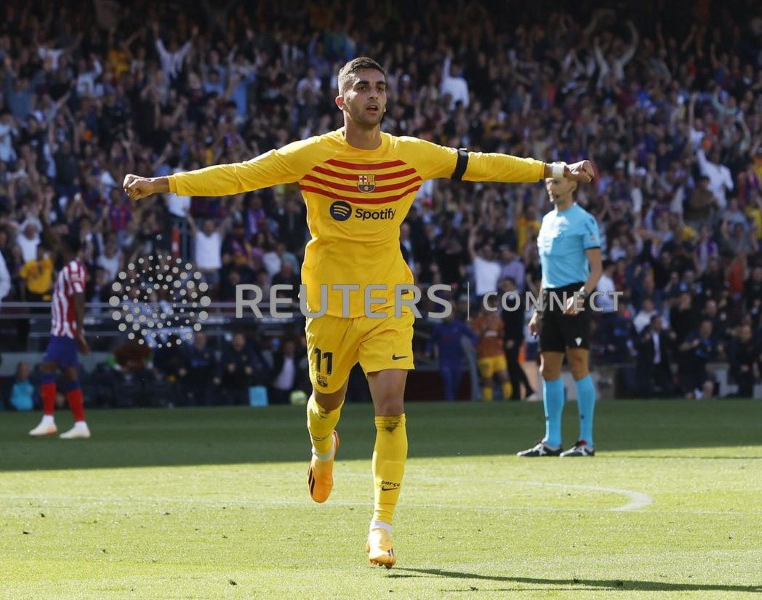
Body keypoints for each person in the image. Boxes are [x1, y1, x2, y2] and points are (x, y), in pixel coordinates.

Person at [123, 57, 594, 567]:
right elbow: (241, 176)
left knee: (390, 409)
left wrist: (553, 169)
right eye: (361, 87)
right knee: (326, 403)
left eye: (380, 88)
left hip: (388, 300)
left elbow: (479, 164)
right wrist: (163, 183)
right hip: (329, 303)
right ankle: (323, 449)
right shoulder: (313, 155)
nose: (373, 95)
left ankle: (381, 526)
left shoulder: (411, 155)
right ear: (341, 100)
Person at [517, 173, 602, 458]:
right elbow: (545, 274)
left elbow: (596, 269)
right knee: (547, 368)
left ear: (572, 185)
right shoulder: (547, 221)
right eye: (548, 183)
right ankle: (552, 440)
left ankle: (585, 441)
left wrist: (581, 296)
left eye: (556, 182)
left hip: (574, 294)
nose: (550, 187)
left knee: (578, 364)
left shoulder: (584, 220)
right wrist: (538, 310)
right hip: (551, 296)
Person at [28, 202, 91, 439]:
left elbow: (79, 298)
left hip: (66, 330)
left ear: (67, 247)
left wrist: (79, 331)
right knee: (70, 375)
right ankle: (81, 425)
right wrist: (43, 217)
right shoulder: (68, 264)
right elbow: (53, 239)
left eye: (62, 240)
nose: (58, 241)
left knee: (46, 367)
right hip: (64, 328)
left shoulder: (73, 268)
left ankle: (48, 420)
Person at [426, 310, 478, 402]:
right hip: (444, 359)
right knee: (447, 380)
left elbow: (473, 336)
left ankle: (453, 400)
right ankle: (449, 401)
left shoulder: (459, 325)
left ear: (453, 315)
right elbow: (431, 341)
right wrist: (428, 351)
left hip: (457, 359)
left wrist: (472, 344)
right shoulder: (439, 328)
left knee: (456, 381)